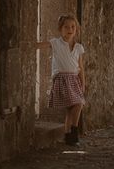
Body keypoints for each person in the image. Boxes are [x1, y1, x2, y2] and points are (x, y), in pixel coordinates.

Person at [37, 14, 86, 146]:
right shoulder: (56, 43)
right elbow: (40, 45)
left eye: (73, 27)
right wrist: (28, 45)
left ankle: (67, 136)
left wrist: (83, 83)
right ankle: (73, 134)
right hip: (62, 79)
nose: (70, 29)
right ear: (60, 29)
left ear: (76, 29)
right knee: (78, 104)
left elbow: (80, 67)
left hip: (74, 79)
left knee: (72, 109)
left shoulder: (78, 47)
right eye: (66, 27)